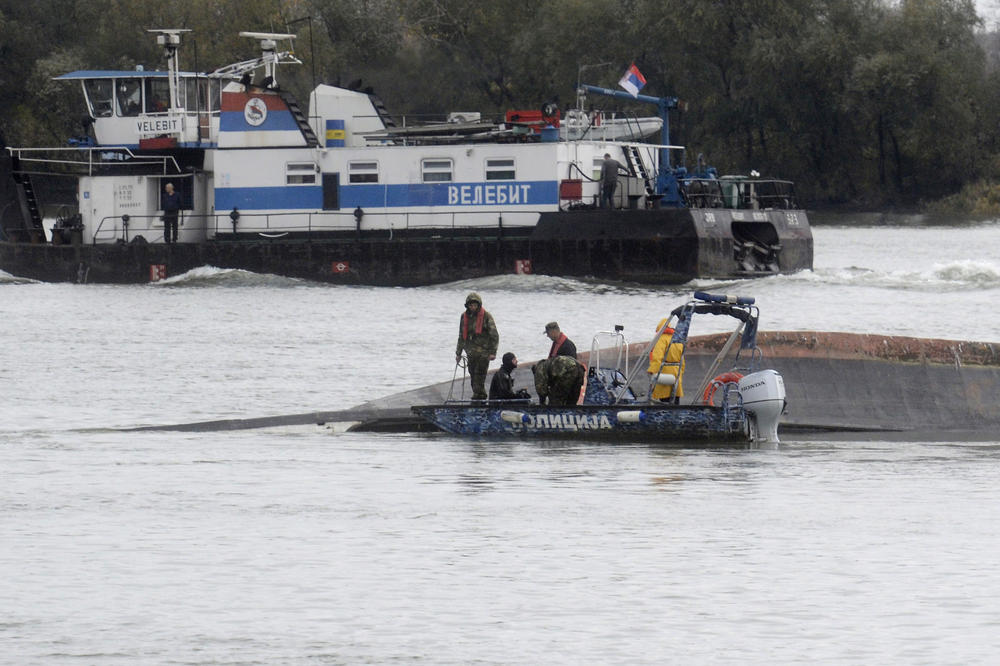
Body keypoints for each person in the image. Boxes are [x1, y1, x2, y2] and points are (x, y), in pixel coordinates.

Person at [455, 292, 499, 401]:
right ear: (467, 306)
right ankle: (478, 396)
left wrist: (493, 352)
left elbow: (494, 335)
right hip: (470, 353)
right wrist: (458, 353)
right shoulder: (463, 317)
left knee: (479, 375)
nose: (473, 307)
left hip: (484, 353)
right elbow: (461, 336)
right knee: (473, 375)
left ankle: (480, 398)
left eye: (475, 305)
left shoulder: (486, 316)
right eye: (471, 305)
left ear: (478, 305)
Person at [647, 318, 685, 403]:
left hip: (664, 372)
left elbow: (657, 357)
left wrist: (652, 370)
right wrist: (680, 372)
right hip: (676, 372)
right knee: (675, 398)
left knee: (664, 400)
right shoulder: (678, 339)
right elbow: (682, 360)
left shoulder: (661, 339)